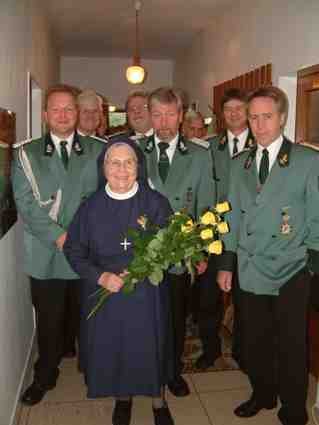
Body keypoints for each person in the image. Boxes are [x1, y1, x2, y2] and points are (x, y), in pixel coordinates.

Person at [217, 86, 319, 425]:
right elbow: (230, 215)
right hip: (249, 265)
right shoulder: (239, 163)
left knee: (292, 344)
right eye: (253, 117)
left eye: (267, 117)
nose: (259, 125)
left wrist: (312, 267)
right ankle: (262, 393)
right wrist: (226, 263)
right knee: (254, 340)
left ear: (283, 118)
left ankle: (293, 408)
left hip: (292, 267)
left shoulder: (307, 160)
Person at [64, 138, 175, 425]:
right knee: (117, 349)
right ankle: (122, 397)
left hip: (147, 293)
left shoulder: (156, 203)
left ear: (139, 167)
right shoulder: (90, 207)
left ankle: (157, 400)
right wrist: (100, 276)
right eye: (115, 162)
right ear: (104, 167)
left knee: (149, 347)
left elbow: (170, 248)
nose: (122, 169)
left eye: (129, 162)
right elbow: (74, 250)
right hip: (106, 291)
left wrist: (143, 269)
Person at [12, 84, 107, 406]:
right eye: (57, 109)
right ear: (45, 114)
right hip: (47, 254)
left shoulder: (97, 149)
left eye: (69, 109)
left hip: (89, 255)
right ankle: (45, 375)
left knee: (91, 319)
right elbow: (26, 205)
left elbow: (107, 198)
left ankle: (96, 371)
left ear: (78, 113)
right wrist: (62, 237)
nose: (64, 115)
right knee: (50, 322)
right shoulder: (27, 153)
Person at [139, 87, 215, 397]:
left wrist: (202, 249)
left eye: (171, 114)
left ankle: (172, 371)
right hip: (141, 252)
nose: (164, 122)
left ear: (181, 116)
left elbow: (207, 207)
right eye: (157, 114)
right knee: (141, 317)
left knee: (174, 316)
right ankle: (142, 371)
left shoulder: (199, 154)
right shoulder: (133, 150)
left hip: (179, 254)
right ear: (149, 115)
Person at [205, 88, 255, 371]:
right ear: (222, 115)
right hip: (214, 234)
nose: (234, 114)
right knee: (208, 297)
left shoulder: (260, 144)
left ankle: (243, 352)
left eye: (240, 108)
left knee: (245, 297)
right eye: (228, 110)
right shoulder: (209, 147)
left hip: (248, 234)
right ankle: (210, 350)